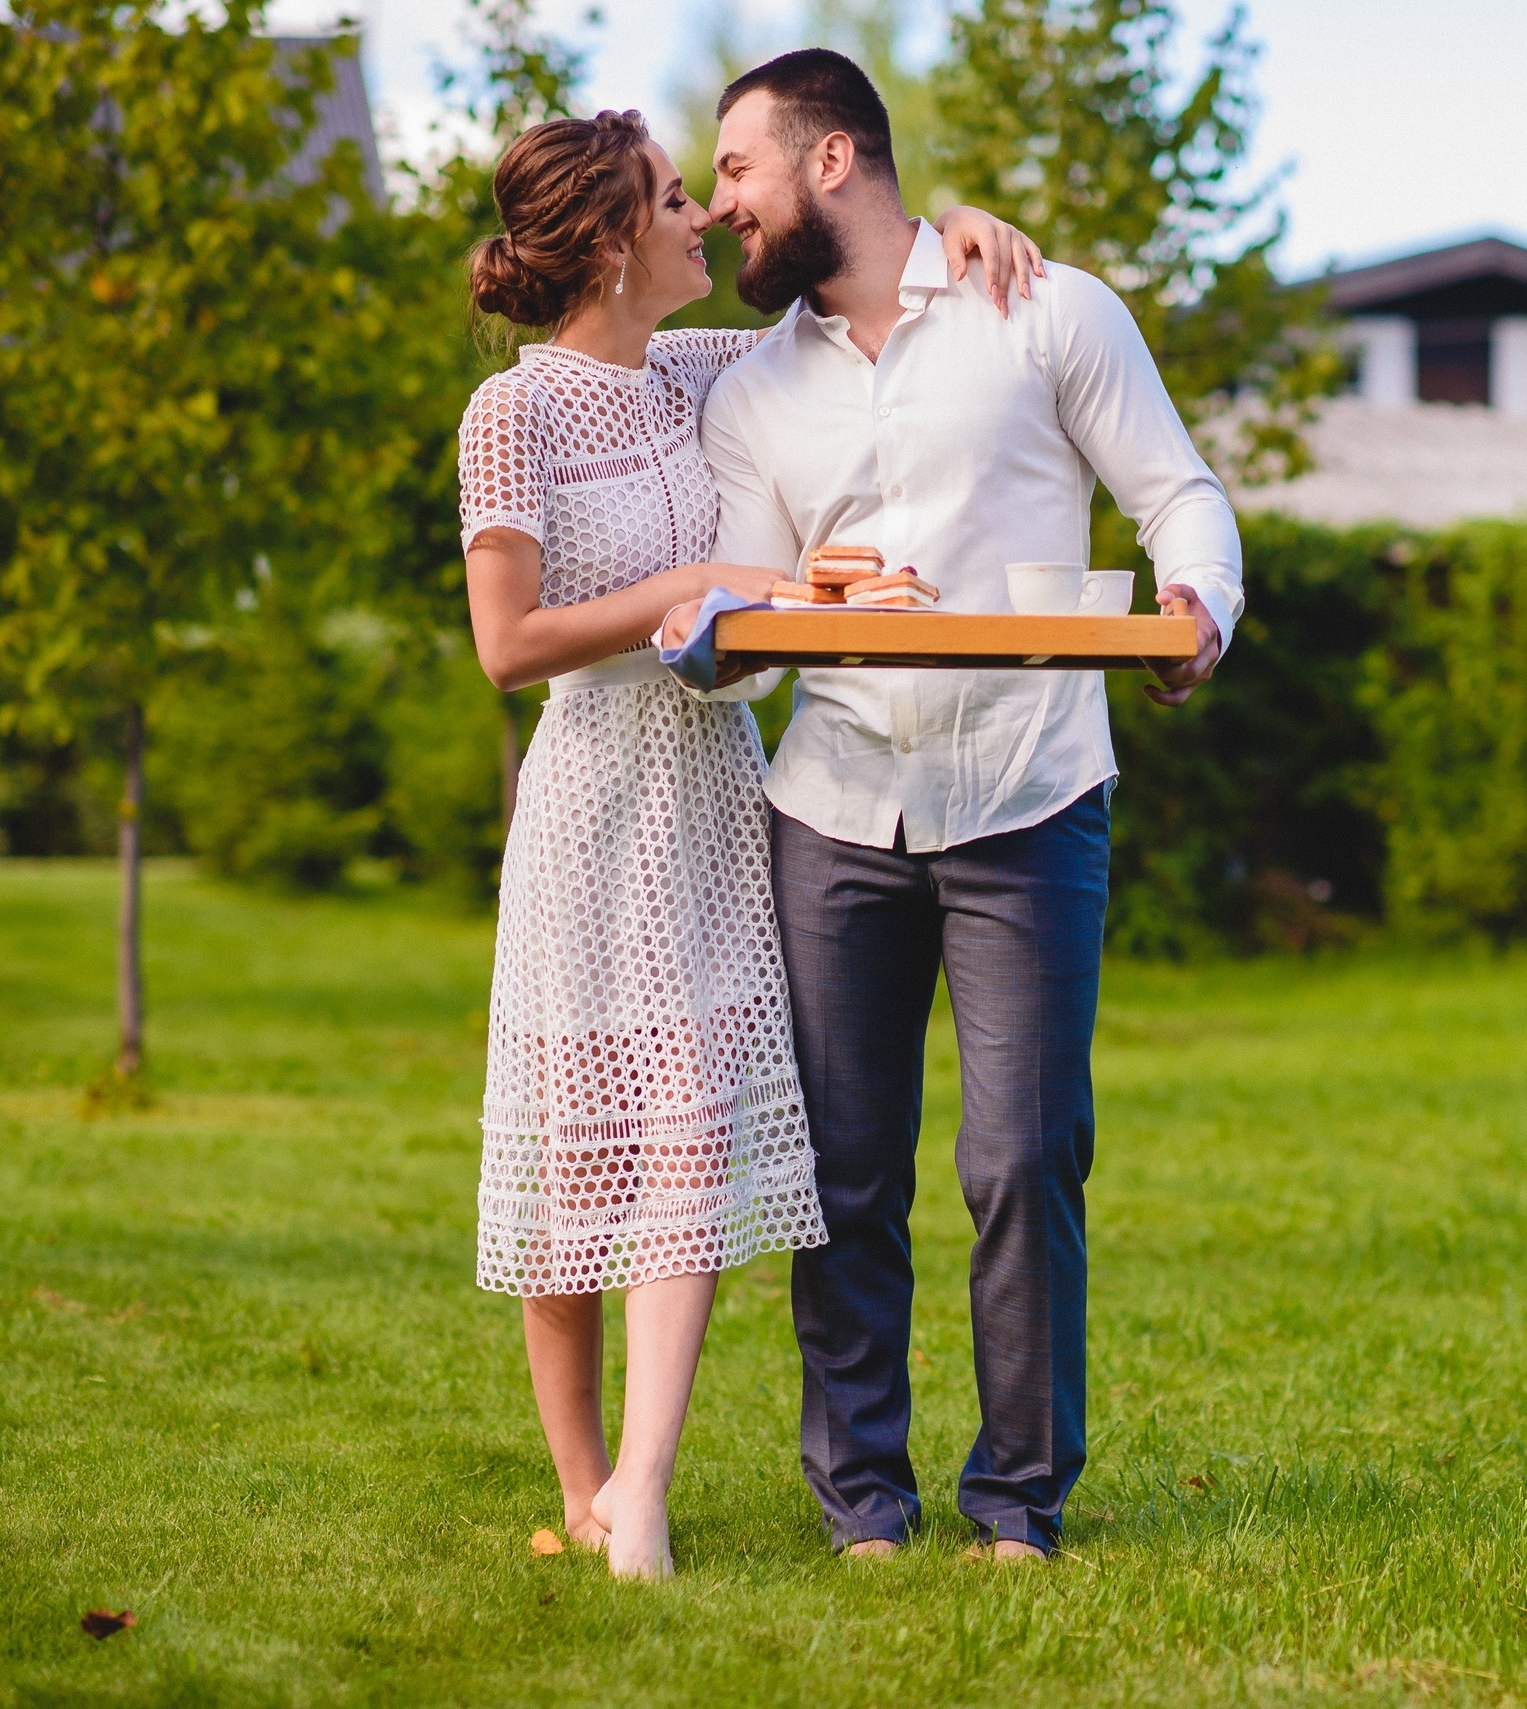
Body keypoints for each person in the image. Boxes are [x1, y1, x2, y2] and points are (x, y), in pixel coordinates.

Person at [455, 106, 1046, 1579]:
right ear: (607, 241)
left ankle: (645, 1485)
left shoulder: (710, 368)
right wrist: (704, 574)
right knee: (570, 1160)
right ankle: (586, 1488)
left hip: (716, 801)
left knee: (694, 1136)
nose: (705, 220)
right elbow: (506, 643)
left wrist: (953, 229)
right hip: (588, 807)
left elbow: (858, 312)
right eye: (673, 200)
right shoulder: (511, 414)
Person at [693, 50, 1240, 1562]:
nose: (723, 198)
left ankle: (1018, 1502)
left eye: (737, 168)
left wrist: (1200, 602)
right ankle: (863, 1500)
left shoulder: (1046, 309)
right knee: (845, 1174)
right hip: (837, 810)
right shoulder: (749, 394)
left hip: (1030, 791)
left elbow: (1179, 491)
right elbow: (744, 634)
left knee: (1022, 1159)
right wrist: (720, 644)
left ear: (830, 162)